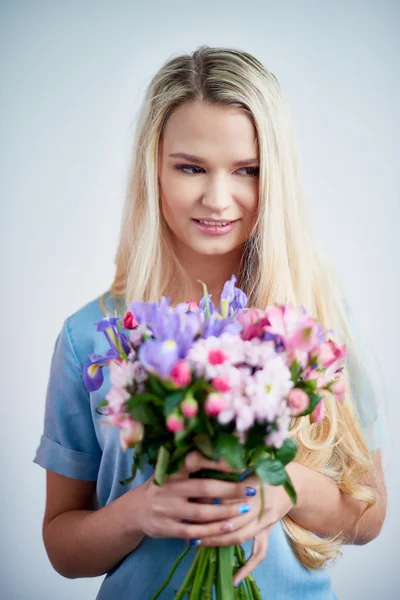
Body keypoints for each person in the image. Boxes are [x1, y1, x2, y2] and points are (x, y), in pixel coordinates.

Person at [33, 45, 387, 599]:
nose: (218, 198)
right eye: (190, 167)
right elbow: (62, 545)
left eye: (247, 170)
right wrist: (136, 513)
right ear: (154, 169)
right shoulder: (89, 337)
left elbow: (368, 516)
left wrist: (287, 486)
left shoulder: (318, 318)